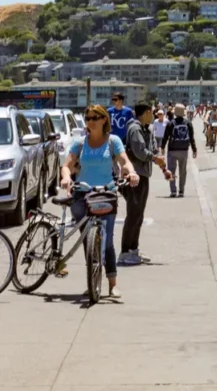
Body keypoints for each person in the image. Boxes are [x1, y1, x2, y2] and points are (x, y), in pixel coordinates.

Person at [59, 104, 141, 299]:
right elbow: (67, 165)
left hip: (105, 194)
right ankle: (92, 280)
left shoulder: (113, 141)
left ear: (104, 119)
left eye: (95, 118)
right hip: (82, 195)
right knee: (88, 240)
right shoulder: (80, 143)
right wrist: (66, 177)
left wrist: (132, 172)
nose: (91, 122)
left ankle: (112, 283)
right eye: (88, 118)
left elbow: (124, 161)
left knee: (107, 241)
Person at [120, 104, 171, 266]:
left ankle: (133, 249)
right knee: (133, 214)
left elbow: (153, 150)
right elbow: (140, 152)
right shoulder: (135, 129)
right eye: (152, 112)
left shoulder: (146, 129)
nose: (153, 115)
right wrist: (155, 159)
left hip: (143, 176)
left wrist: (164, 169)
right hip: (134, 176)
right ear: (146, 113)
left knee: (139, 215)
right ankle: (125, 252)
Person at [162, 104, 199, 198]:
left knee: (171, 170)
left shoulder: (171, 123)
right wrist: (194, 150)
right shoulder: (188, 123)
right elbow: (191, 138)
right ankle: (181, 190)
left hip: (172, 150)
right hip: (184, 150)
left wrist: (162, 147)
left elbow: (165, 136)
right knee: (182, 171)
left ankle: (173, 191)